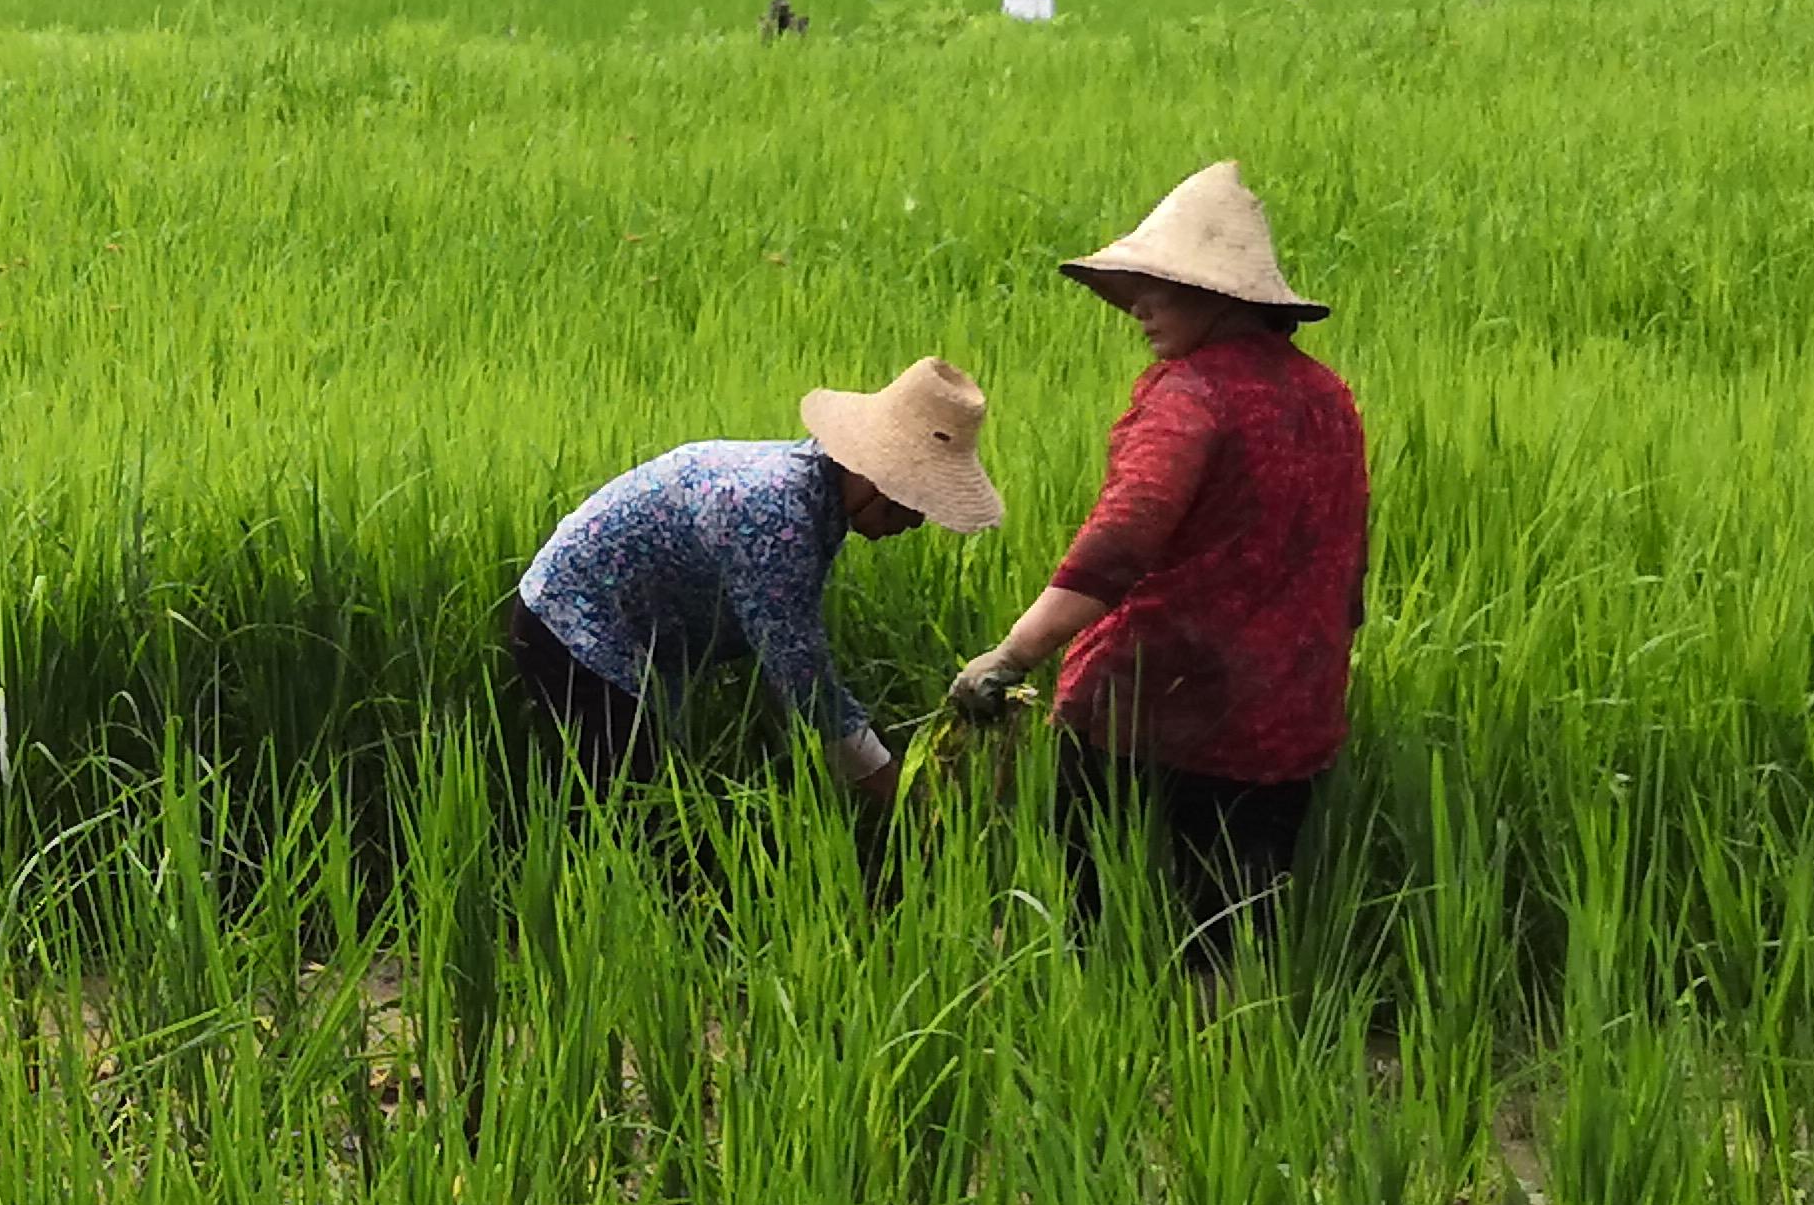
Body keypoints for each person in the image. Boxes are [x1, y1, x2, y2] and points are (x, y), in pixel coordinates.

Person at [949, 161, 1367, 958]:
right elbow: (1349, 566)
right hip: (1291, 713)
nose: (1139, 307)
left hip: (1153, 707)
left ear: (1219, 295)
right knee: (1237, 937)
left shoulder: (1188, 397)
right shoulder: (1328, 396)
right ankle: (1230, 1073)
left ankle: (1093, 1052)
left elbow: (1118, 544)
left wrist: (1009, 658)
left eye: (1161, 288)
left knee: (1081, 917)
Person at [508, 362, 1002, 806]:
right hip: (574, 629)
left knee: (645, 798)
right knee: (632, 811)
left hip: (624, 636)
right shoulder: (777, 515)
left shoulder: (811, 491)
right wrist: (904, 802)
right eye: (916, 499)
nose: (916, 521)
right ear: (878, 477)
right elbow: (805, 686)